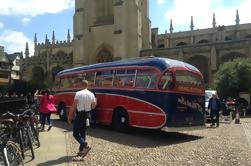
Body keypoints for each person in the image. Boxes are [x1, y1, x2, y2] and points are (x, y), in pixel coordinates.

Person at [68, 79, 96, 155]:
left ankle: (85, 145)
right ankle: (81, 150)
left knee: (75, 133)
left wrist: (70, 116)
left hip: (80, 114)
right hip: (88, 114)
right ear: (87, 85)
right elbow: (93, 106)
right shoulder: (91, 94)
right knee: (83, 132)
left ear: (81, 85)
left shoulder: (78, 93)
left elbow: (74, 105)